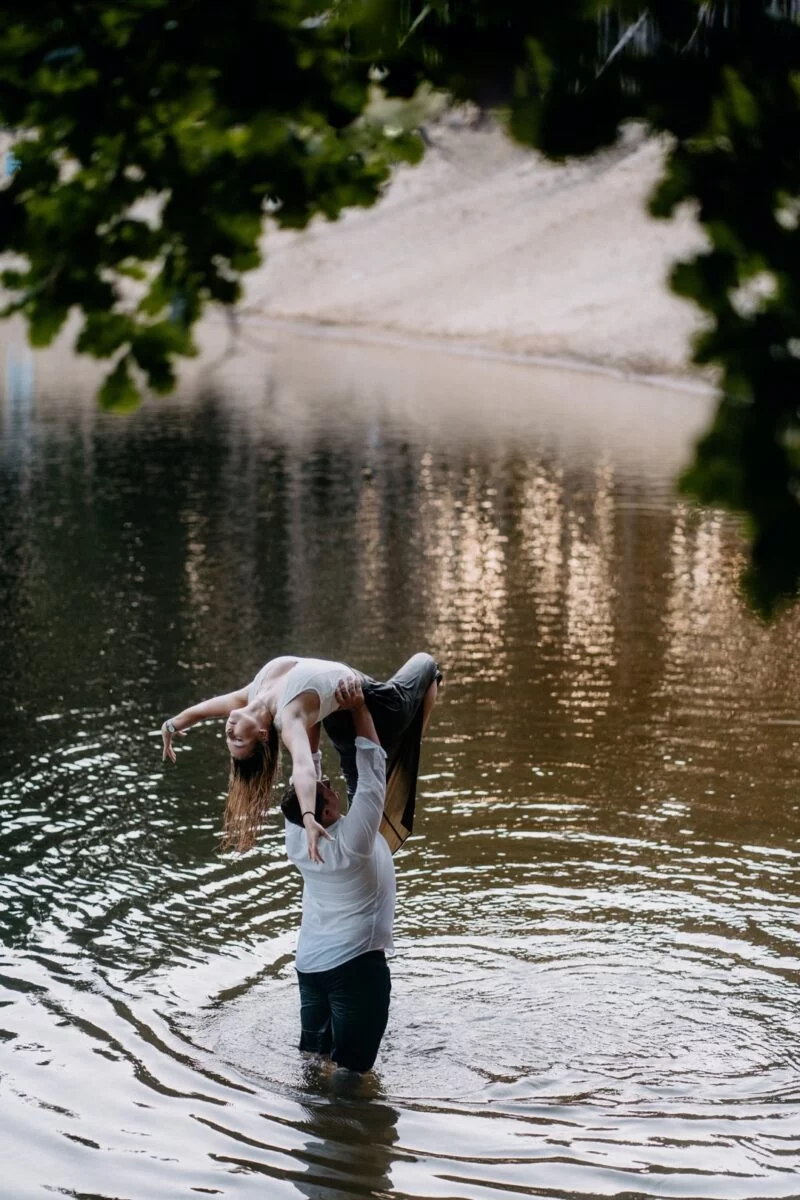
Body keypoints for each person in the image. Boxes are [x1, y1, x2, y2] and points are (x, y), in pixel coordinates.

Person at [161, 652, 440, 857]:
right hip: (379, 709)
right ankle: (411, 737)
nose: (230, 731)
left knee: (371, 824)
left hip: (342, 716)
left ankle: (405, 743)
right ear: (261, 735)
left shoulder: (255, 692)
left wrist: (172, 725)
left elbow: (203, 710)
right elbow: (304, 769)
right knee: (428, 665)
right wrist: (308, 817)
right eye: (239, 740)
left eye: (229, 738)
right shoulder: (287, 718)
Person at [281, 676, 397, 1073]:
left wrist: (310, 711)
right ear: (326, 812)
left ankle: (308, 1126)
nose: (327, 784)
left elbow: (307, 765)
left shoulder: (295, 833)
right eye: (326, 790)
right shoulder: (355, 837)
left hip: (310, 965)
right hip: (355, 966)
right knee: (352, 1074)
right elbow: (372, 771)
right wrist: (360, 708)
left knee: (313, 1062)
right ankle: (350, 1132)